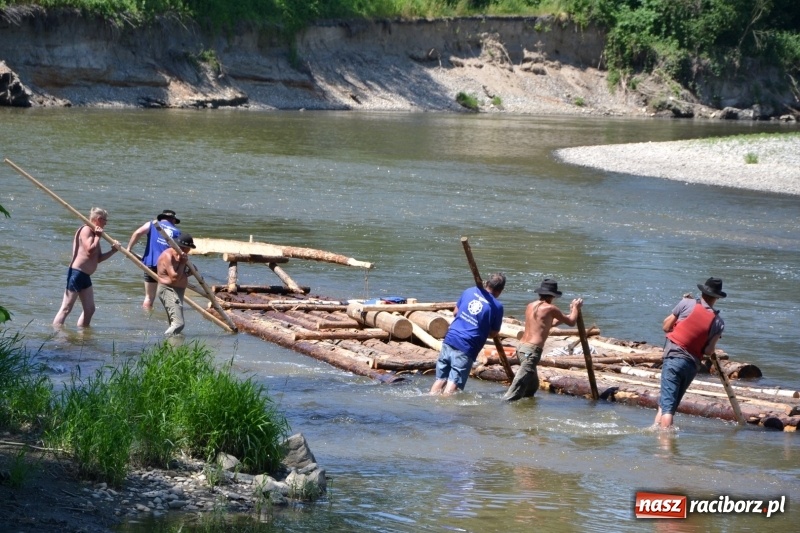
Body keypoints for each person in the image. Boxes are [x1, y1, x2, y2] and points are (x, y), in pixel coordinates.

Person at [653, 277, 727, 429]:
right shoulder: (719, 322)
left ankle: (665, 447)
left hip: (673, 358)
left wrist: (680, 307)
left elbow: (666, 327)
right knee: (668, 404)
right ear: (717, 298)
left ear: (703, 292)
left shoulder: (686, 303)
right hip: (691, 365)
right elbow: (708, 351)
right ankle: (655, 431)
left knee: (667, 408)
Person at [503, 278, 583, 401]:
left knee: (532, 386)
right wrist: (575, 308)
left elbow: (547, 324)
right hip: (531, 351)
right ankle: (502, 409)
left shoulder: (531, 305)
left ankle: (527, 409)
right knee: (515, 390)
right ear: (553, 295)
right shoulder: (551, 308)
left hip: (521, 348)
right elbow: (572, 322)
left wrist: (568, 313)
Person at [430, 273, 506, 395]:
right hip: (466, 346)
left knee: (441, 379)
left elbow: (455, 312)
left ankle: (431, 400)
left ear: (487, 283)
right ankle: (444, 410)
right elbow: (493, 333)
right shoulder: (497, 307)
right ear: (500, 291)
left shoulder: (469, 291)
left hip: (450, 338)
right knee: (454, 382)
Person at [53, 207, 120, 328]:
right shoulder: (86, 230)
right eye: (105, 220)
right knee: (66, 308)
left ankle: (83, 335)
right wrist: (98, 236)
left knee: (90, 309)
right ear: (99, 219)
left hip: (86, 276)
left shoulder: (95, 233)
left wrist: (113, 251)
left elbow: (98, 258)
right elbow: (89, 250)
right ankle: (56, 335)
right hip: (77, 273)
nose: (106, 223)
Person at [127, 209, 181, 310]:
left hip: (150, 264)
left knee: (149, 297)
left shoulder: (151, 224)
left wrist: (129, 248)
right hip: (166, 268)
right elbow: (178, 253)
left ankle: (146, 315)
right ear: (173, 220)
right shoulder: (177, 232)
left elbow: (137, 233)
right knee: (170, 296)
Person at [156, 233, 196, 336]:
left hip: (178, 291)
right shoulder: (168, 256)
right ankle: (164, 343)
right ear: (183, 247)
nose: (189, 251)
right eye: (188, 248)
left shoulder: (181, 256)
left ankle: (172, 348)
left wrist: (188, 272)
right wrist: (183, 263)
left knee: (174, 323)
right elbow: (174, 278)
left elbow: (183, 273)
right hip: (168, 289)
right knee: (178, 324)